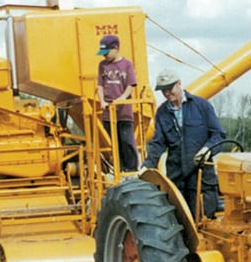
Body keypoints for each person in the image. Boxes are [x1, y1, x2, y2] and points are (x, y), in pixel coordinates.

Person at [143, 69, 226, 219]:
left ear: (179, 84)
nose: (167, 93)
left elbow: (218, 135)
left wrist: (207, 150)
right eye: (163, 90)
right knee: (180, 222)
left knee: (205, 221)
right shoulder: (162, 112)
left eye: (170, 88)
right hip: (177, 178)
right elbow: (158, 143)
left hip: (202, 176)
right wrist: (147, 165)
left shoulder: (201, 106)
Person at [96, 34, 138, 172]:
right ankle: (118, 171)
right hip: (108, 112)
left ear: (116, 48)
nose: (104, 56)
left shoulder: (127, 64)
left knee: (127, 142)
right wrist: (102, 100)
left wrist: (122, 98)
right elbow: (100, 85)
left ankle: (131, 170)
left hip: (124, 112)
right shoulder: (102, 65)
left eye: (106, 53)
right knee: (114, 144)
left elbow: (131, 84)